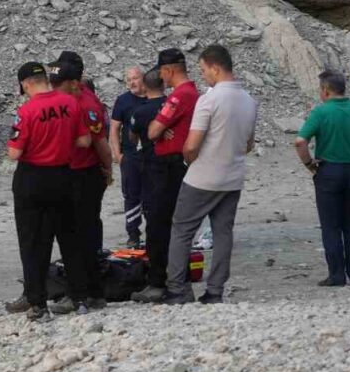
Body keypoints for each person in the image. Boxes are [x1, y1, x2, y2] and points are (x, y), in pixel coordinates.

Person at [159, 45, 258, 304]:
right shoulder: (249, 100)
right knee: (223, 232)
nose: (203, 75)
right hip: (233, 177)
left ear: (215, 67)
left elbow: (191, 145)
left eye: (203, 70)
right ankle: (215, 291)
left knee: (182, 229)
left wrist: (189, 159)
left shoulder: (209, 100)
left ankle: (178, 289)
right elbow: (248, 143)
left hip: (203, 176)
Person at [6, 60, 91, 322]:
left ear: (25, 85)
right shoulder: (70, 103)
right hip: (64, 175)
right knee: (70, 238)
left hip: (33, 178)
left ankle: (38, 304)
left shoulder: (27, 110)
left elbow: (14, 153)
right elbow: (84, 140)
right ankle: (80, 297)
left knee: (33, 242)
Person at [294, 70, 350, 287]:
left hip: (329, 171)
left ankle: (336, 274)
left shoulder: (320, 113)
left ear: (325, 90)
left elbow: (300, 142)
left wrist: (309, 164)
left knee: (330, 225)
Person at [132, 48, 199, 302]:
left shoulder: (179, 96)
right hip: (175, 165)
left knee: (159, 224)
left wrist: (161, 129)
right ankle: (175, 280)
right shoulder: (191, 94)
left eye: (162, 71)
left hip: (166, 167)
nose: (163, 77)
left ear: (168, 70)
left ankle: (159, 281)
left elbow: (152, 131)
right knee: (174, 224)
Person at [57, 53, 113, 313]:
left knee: (79, 235)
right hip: (78, 172)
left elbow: (99, 142)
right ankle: (90, 291)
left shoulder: (85, 104)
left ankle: (83, 292)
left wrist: (107, 168)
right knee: (85, 232)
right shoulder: (77, 99)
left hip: (82, 173)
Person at [109, 66, 146, 247]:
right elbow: (114, 129)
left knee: (152, 196)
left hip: (151, 158)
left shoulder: (154, 97)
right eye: (128, 79)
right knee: (131, 196)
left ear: (144, 78)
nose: (132, 82)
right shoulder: (122, 101)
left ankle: (155, 231)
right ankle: (133, 234)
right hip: (130, 157)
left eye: (135, 78)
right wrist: (118, 155)